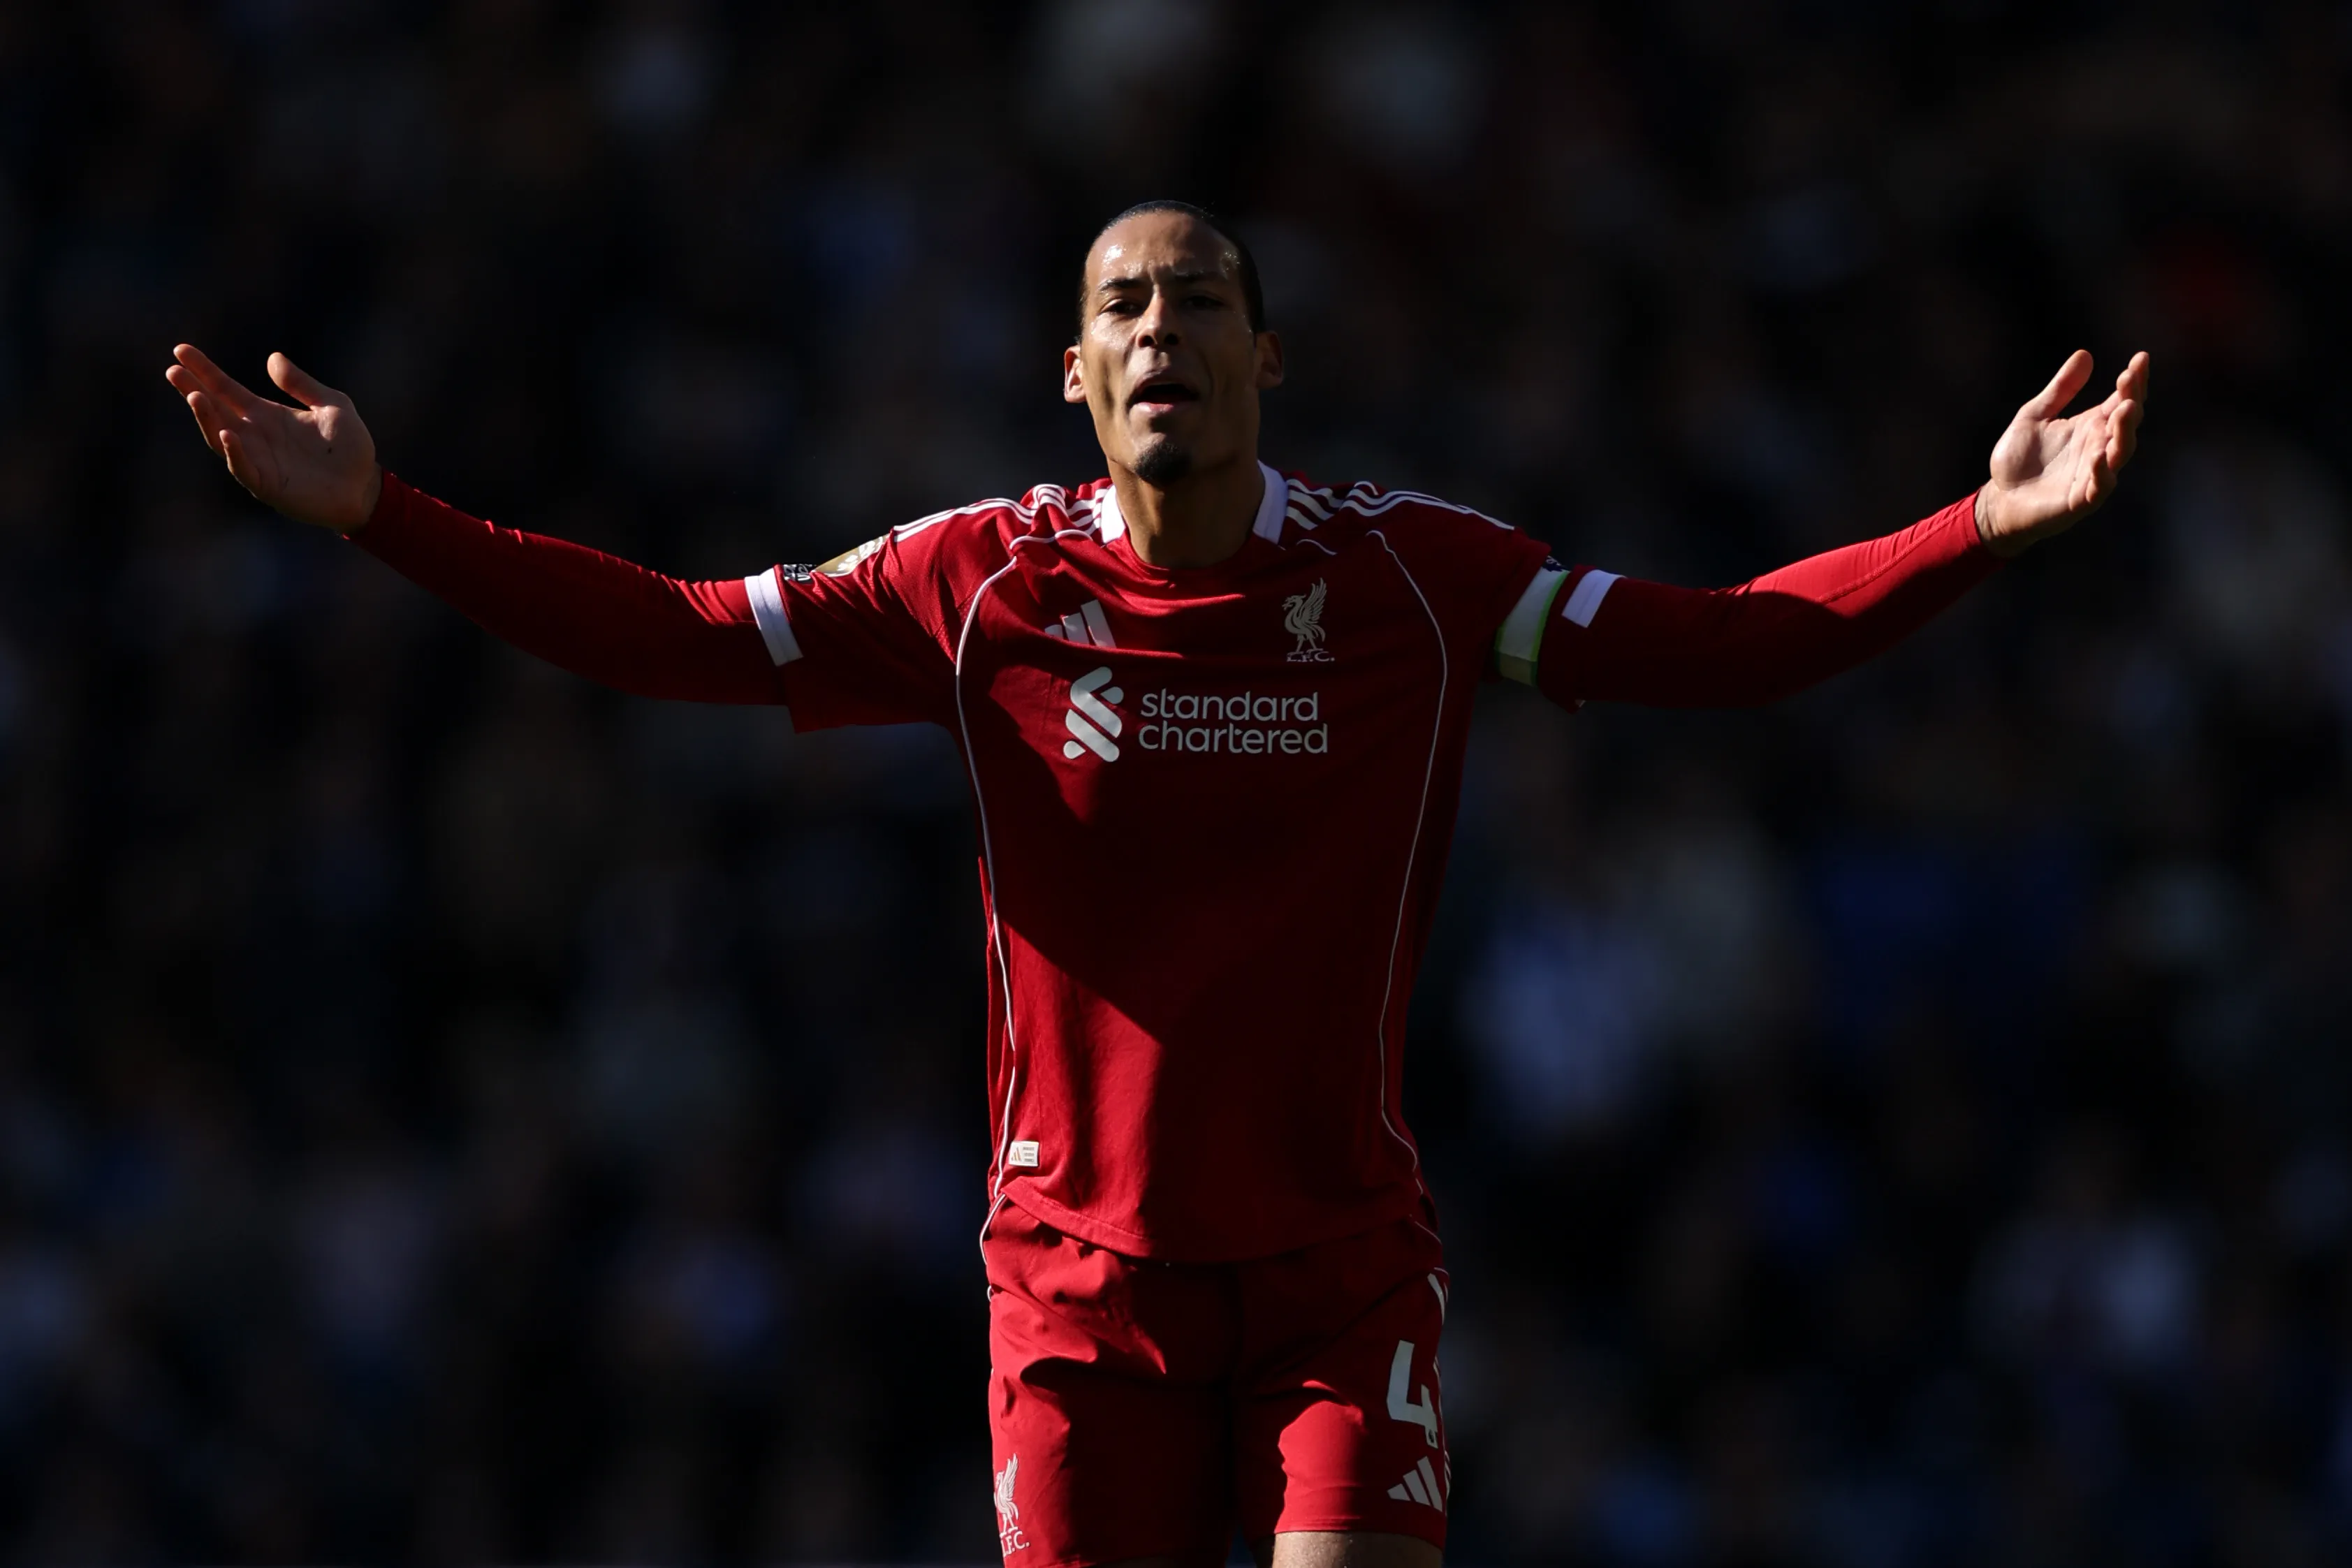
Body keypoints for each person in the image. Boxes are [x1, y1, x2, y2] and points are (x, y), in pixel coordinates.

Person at [165, 200, 2148, 1568]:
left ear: (1265, 356)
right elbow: (680, 634)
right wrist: (387, 518)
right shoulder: (978, 585)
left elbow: (1726, 642)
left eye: (1198, 299)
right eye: (1121, 305)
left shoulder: (1406, 583)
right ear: (1070, 372)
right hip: (1079, 1286)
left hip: (1332, 1270)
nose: (1159, 332)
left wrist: (1977, 523)